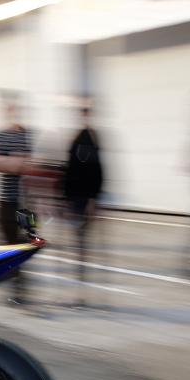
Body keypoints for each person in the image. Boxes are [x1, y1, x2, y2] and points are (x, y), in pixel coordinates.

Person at [0, 90, 32, 302]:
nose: (11, 111)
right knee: (9, 243)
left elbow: (26, 164)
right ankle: (16, 285)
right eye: (7, 108)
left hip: (25, 201)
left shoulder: (25, 134)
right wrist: (14, 162)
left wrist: (9, 162)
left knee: (25, 242)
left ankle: (19, 285)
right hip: (6, 199)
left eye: (14, 107)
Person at [62, 100, 104, 304]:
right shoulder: (76, 137)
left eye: (86, 112)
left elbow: (97, 171)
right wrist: (65, 199)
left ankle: (81, 291)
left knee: (81, 245)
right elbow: (69, 170)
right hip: (75, 199)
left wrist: (93, 199)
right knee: (77, 244)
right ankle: (78, 289)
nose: (83, 116)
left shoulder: (91, 138)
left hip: (83, 199)